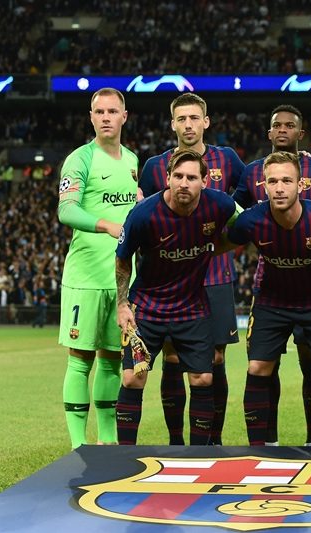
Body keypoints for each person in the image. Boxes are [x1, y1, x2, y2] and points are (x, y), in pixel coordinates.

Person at [233, 104, 311, 446]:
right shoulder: (251, 174)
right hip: (270, 289)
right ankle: (265, 443)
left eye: (289, 125)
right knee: (263, 368)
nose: (282, 130)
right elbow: (232, 216)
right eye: (276, 125)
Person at [140, 93, 245, 446]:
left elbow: (249, 194)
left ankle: (213, 440)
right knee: (172, 357)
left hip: (215, 273)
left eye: (194, 118)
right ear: (173, 124)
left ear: (206, 122)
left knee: (215, 357)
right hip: (172, 280)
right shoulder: (155, 166)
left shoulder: (227, 159)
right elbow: (145, 216)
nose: (188, 125)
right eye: (182, 119)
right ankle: (175, 441)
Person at [115, 149, 239, 446]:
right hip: (147, 308)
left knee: (203, 378)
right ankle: (122, 456)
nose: (184, 183)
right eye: (178, 176)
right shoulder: (143, 214)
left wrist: (212, 248)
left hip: (192, 308)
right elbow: (122, 258)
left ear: (204, 182)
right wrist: (122, 304)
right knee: (133, 377)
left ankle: (198, 455)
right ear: (168, 178)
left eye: (192, 177)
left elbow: (242, 229)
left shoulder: (220, 204)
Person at [57, 88, 139, 448]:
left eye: (112, 111)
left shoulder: (132, 160)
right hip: (85, 278)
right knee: (80, 361)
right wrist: (106, 225)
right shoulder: (80, 159)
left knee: (111, 361)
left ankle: (107, 441)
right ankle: (78, 445)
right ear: (91, 117)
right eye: (99, 112)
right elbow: (66, 210)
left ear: (124, 116)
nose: (106, 117)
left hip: (121, 279)